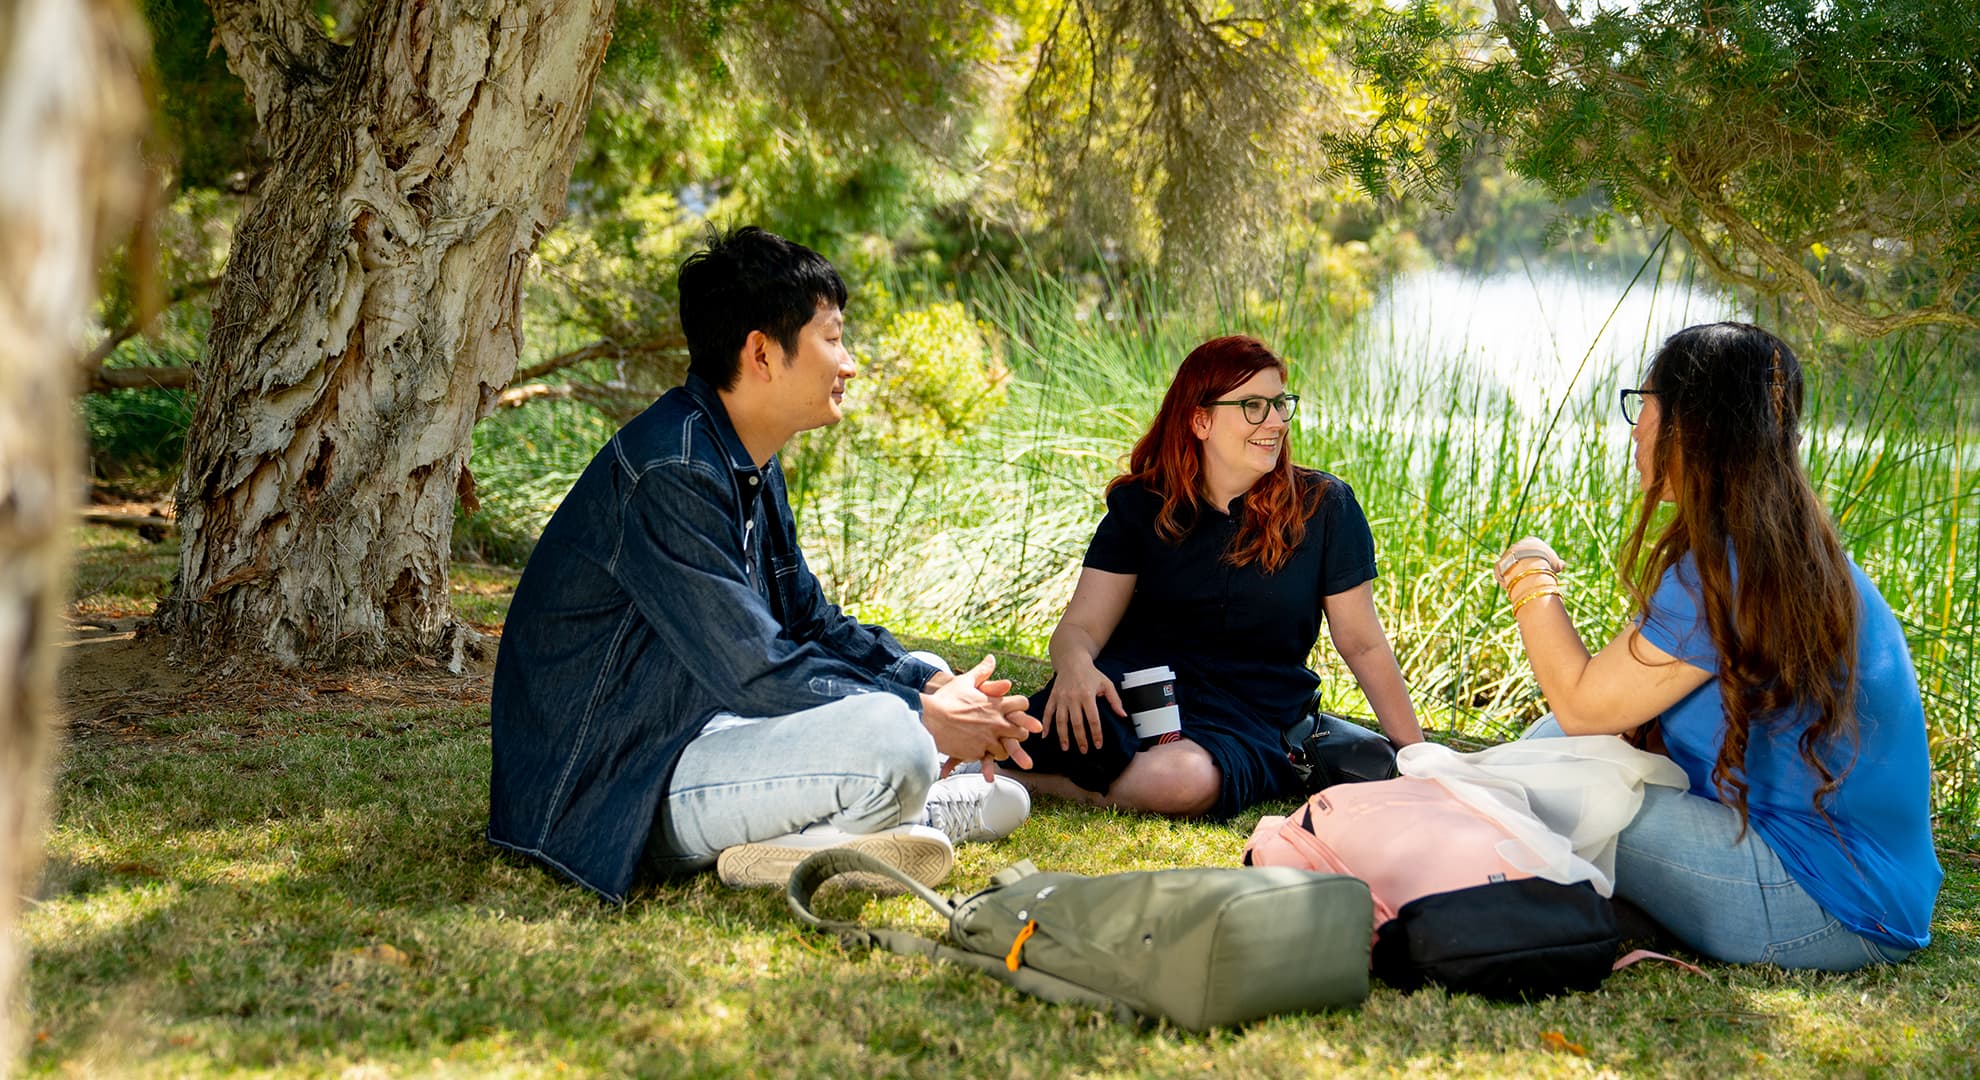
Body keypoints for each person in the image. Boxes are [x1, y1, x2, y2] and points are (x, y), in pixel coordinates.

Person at [487, 226, 1042, 901]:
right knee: (893, 738)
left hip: (693, 726)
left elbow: (809, 621)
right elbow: (755, 667)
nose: (850, 362)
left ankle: (878, 815)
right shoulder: (672, 470)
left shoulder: (743, 460)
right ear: (761, 352)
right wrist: (923, 718)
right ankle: (852, 825)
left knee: (921, 677)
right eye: (833, 337)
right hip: (615, 781)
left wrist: (931, 688)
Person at [1496, 321, 1941, 970]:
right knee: (1550, 751)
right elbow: (1609, 715)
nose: (1635, 428)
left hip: (1827, 905)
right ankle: (1608, 901)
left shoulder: (1732, 565)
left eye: (1643, 404)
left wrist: (1529, 574)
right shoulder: (1772, 548)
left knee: (1546, 775)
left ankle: (1567, 897)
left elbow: (1583, 704)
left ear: (1693, 425)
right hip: (1859, 892)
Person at [1008, 335, 1424, 819]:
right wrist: (1077, 667)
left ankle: (1014, 782)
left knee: (1183, 781)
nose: (1275, 422)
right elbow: (1080, 628)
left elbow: (1363, 643)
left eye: (1279, 404)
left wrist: (1419, 760)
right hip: (1134, 693)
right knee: (1022, 733)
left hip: (1250, 712)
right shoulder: (1142, 505)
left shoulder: (1325, 507)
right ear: (1201, 420)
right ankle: (995, 766)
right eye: (1253, 406)